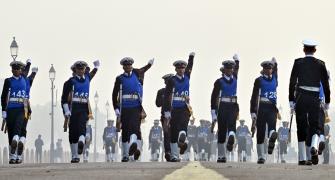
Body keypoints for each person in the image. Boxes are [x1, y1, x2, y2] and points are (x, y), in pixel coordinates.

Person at [289, 39, 330, 165]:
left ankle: (302, 158)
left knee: (301, 126)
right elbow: (325, 84)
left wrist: (291, 99)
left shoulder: (298, 62)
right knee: (315, 125)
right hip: (314, 98)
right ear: (315, 50)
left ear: (304, 50)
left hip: (301, 96)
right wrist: (327, 101)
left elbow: (292, 82)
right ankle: (313, 146)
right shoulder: (321, 64)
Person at [112, 57, 154, 162]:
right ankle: (125, 155)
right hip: (124, 107)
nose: (128, 67)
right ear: (123, 67)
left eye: (130, 65)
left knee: (135, 127)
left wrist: (149, 64)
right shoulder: (119, 78)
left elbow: (144, 69)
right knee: (125, 130)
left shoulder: (137, 74)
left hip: (136, 106)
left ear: (132, 66)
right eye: (126, 65)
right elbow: (114, 94)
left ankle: (134, 146)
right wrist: (116, 108)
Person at [61, 60, 100, 163]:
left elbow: (92, 73)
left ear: (84, 70)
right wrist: (66, 111)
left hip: (83, 108)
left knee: (82, 127)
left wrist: (96, 67)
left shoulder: (87, 78)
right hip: (73, 109)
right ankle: (75, 156)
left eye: (82, 68)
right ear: (75, 70)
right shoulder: (70, 82)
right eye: (78, 68)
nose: (80, 70)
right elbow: (64, 99)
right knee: (73, 132)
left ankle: (81, 143)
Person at [163, 52, 195, 162]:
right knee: (173, 131)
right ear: (176, 69)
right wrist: (167, 111)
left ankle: (183, 137)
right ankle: (174, 156)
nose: (181, 70)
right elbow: (167, 96)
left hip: (185, 107)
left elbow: (190, 67)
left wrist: (191, 57)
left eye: (183, 68)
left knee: (183, 125)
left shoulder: (187, 77)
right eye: (179, 68)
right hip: (174, 108)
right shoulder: (172, 80)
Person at [211, 54, 240, 163]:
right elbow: (214, 98)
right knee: (222, 129)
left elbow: (237, 69)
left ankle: (231, 138)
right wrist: (213, 112)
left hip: (233, 106)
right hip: (222, 106)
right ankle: (221, 156)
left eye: (231, 68)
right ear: (224, 70)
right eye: (228, 68)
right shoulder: (219, 82)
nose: (230, 70)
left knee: (232, 123)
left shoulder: (235, 78)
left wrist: (237, 61)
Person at [250, 58, 279, 164]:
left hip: (272, 107)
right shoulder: (259, 80)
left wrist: (276, 63)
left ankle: (272, 136)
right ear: (263, 69)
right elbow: (254, 96)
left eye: (270, 68)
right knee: (261, 132)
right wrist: (253, 112)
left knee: (272, 126)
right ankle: (261, 156)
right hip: (261, 107)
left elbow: (277, 71)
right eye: (267, 68)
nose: (269, 70)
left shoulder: (275, 79)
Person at [1, 61, 27, 164]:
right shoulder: (8, 81)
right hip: (11, 109)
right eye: (15, 69)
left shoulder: (25, 79)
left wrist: (29, 65)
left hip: (22, 108)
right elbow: (3, 97)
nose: (16, 70)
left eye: (18, 69)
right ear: (12, 70)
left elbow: (28, 73)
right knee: (11, 131)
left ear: (21, 70)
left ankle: (18, 151)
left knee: (18, 127)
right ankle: (13, 156)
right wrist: (3, 110)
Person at [155, 73, 174, 161]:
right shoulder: (161, 91)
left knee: (175, 134)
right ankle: (168, 152)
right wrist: (165, 99)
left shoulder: (177, 90)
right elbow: (157, 104)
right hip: (165, 116)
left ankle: (174, 152)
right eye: (166, 81)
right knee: (166, 134)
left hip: (176, 115)